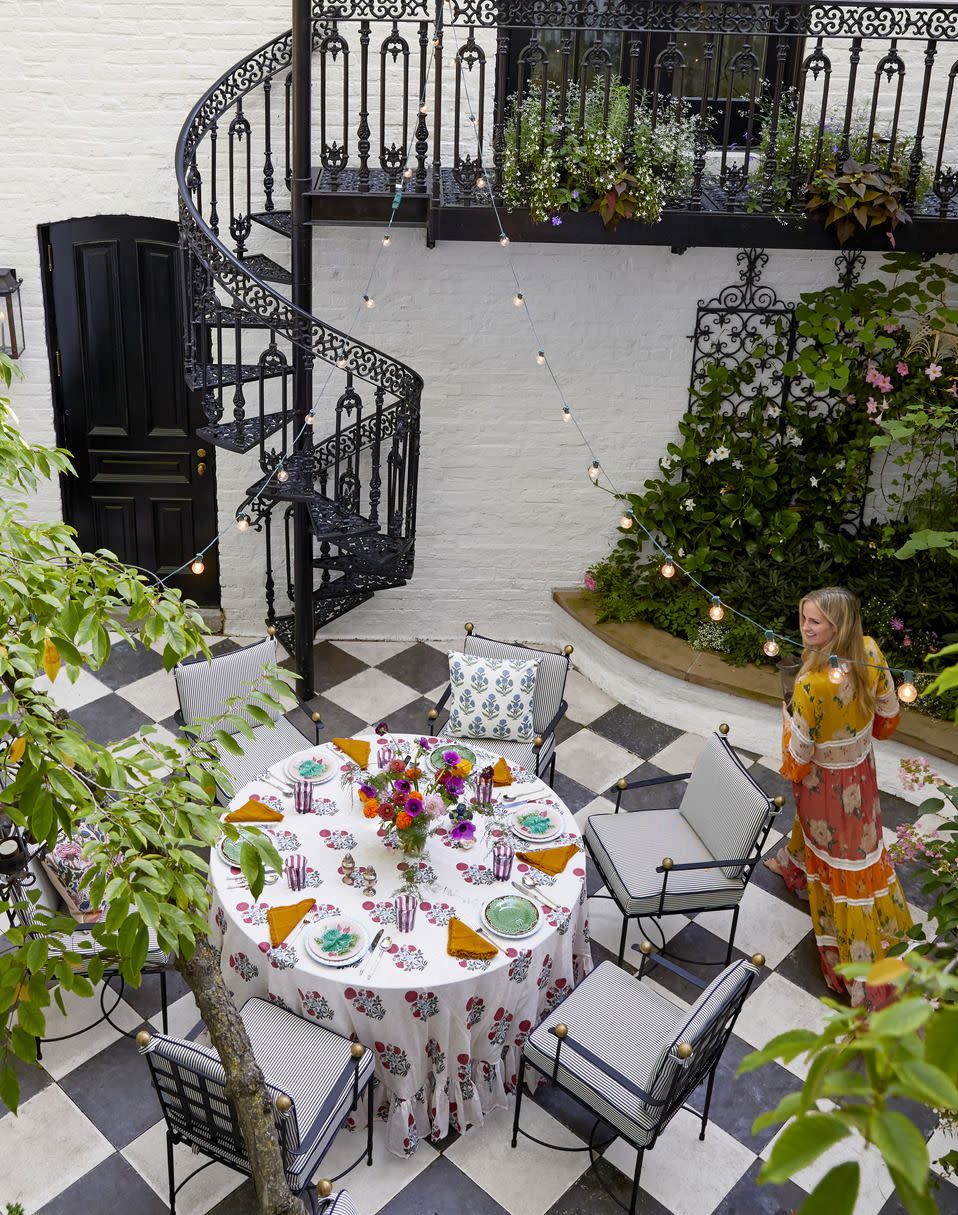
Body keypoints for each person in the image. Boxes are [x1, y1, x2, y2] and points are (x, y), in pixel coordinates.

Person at [765, 586, 912, 1009]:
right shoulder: (869, 652)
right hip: (862, 778)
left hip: (823, 789)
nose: (804, 628)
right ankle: (794, 868)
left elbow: (799, 759)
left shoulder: (809, 684)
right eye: (803, 617)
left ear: (837, 625)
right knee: (858, 847)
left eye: (814, 621)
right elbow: (886, 718)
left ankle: (862, 974)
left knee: (835, 854)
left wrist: (788, 716)